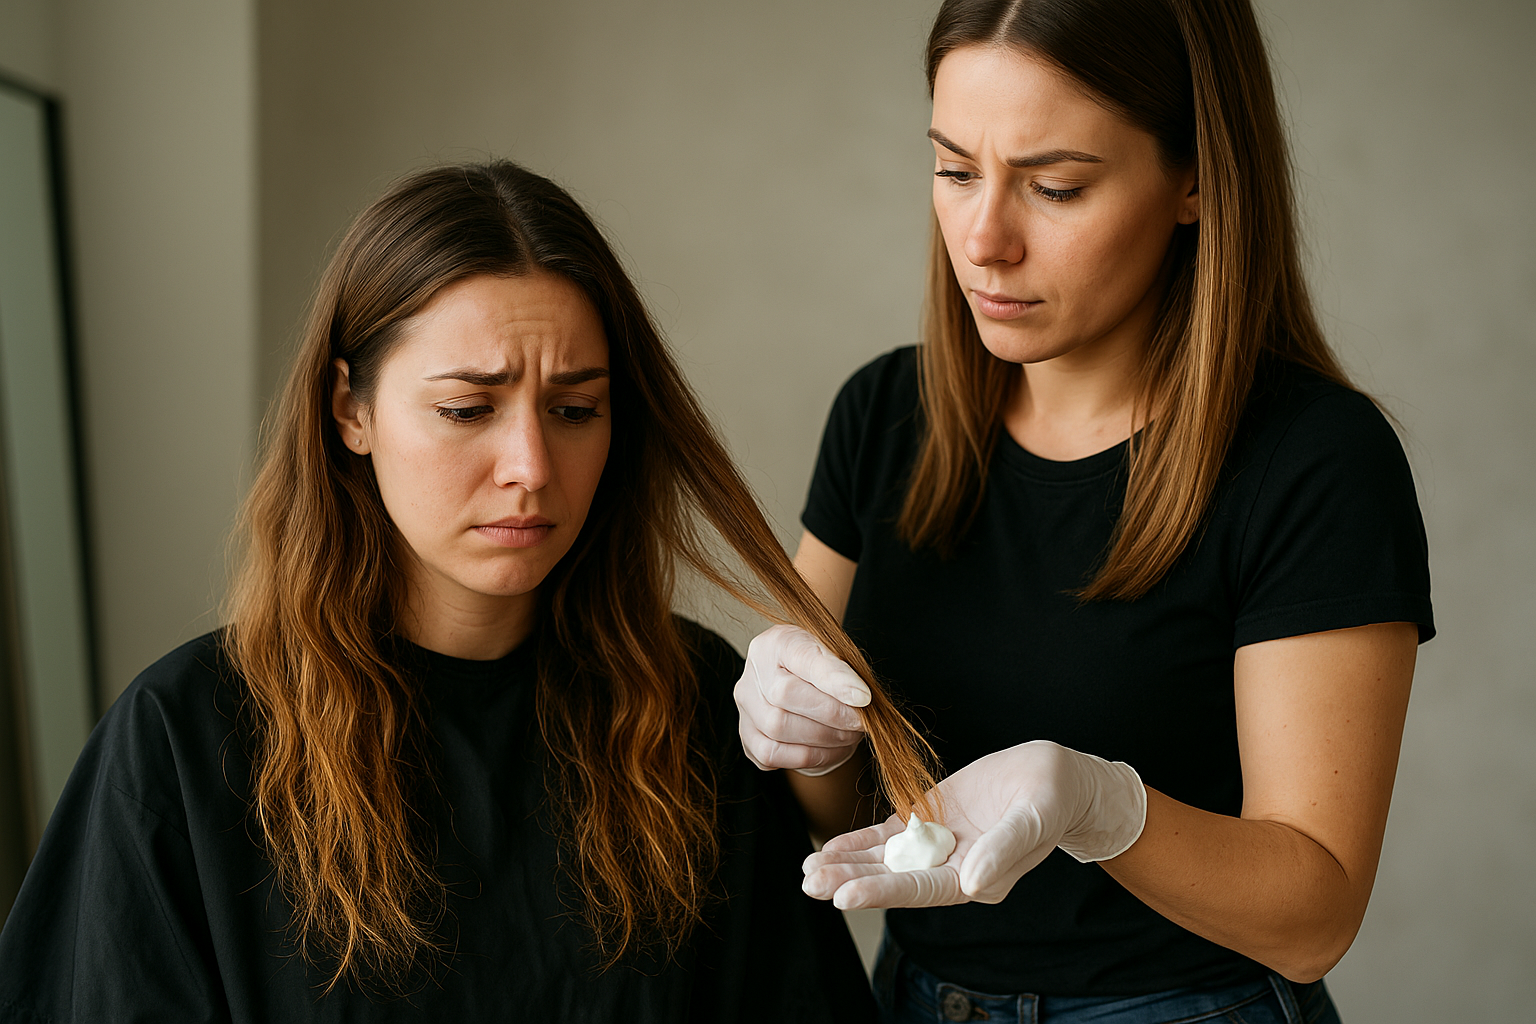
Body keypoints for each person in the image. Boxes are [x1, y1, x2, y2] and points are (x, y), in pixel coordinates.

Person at [0, 160, 919, 1022]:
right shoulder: (183, 739)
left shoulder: (689, 707)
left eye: (575, 410)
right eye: (466, 409)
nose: (530, 466)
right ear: (350, 410)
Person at [734, 2, 1433, 1022]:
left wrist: (1107, 809)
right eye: (955, 170)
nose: (984, 240)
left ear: (1196, 178)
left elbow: (1312, 920)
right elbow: (831, 821)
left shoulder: (1315, 461)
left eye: (1054, 186)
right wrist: (805, 739)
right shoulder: (884, 416)